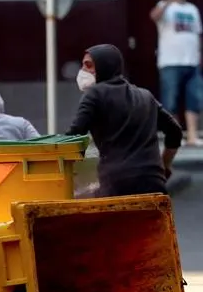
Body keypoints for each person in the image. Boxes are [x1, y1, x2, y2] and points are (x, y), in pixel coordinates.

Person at [66, 44, 183, 197]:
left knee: (78, 204)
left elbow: (72, 138)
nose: (83, 72)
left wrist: (68, 176)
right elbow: (175, 131)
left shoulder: (95, 94)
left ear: (104, 66)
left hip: (115, 184)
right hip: (154, 183)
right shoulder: (146, 96)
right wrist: (164, 166)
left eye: (88, 66)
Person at [149, 0, 203, 145]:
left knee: (194, 99)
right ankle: (175, 136)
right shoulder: (164, 6)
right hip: (170, 62)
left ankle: (193, 136)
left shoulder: (192, 9)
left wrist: (199, 54)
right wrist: (170, 0)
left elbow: (197, 33)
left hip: (192, 62)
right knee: (170, 101)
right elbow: (154, 16)